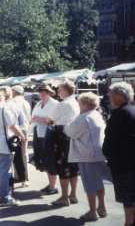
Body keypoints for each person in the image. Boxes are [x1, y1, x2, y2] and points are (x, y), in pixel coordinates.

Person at [65, 92, 108, 222]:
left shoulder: (83, 117)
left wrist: (68, 124)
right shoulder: (97, 115)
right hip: (99, 153)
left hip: (86, 155)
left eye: (79, 103)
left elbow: (70, 132)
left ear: (84, 104)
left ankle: (92, 211)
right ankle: (102, 206)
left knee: (90, 185)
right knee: (98, 182)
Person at [0, 91, 26, 207]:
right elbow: (12, 126)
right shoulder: (4, 108)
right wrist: (22, 136)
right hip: (2, 143)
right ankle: (5, 197)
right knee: (4, 171)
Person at [102, 82, 135, 226]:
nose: (109, 96)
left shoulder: (119, 114)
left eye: (111, 93)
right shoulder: (132, 110)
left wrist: (107, 153)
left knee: (128, 197)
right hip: (130, 161)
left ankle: (128, 223)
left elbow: (111, 141)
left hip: (123, 163)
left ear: (120, 95)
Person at [49, 80, 80, 206]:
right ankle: (73, 195)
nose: (58, 92)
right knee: (73, 167)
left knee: (63, 167)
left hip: (62, 135)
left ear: (66, 90)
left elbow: (51, 119)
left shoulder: (63, 104)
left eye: (60, 90)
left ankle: (64, 197)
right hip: (73, 135)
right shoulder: (76, 102)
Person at [31, 84, 59, 195]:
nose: (41, 93)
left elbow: (55, 120)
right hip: (38, 133)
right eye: (40, 91)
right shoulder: (38, 103)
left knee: (50, 160)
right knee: (44, 160)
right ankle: (51, 184)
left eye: (44, 91)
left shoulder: (54, 104)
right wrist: (37, 119)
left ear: (49, 92)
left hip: (49, 135)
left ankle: (53, 186)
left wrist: (41, 119)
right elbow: (33, 117)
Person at [12, 85, 32, 186]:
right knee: (24, 153)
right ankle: (26, 177)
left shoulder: (13, 102)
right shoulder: (26, 102)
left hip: (16, 130)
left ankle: (18, 176)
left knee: (16, 154)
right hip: (25, 128)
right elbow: (29, 117)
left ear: (14, 92)